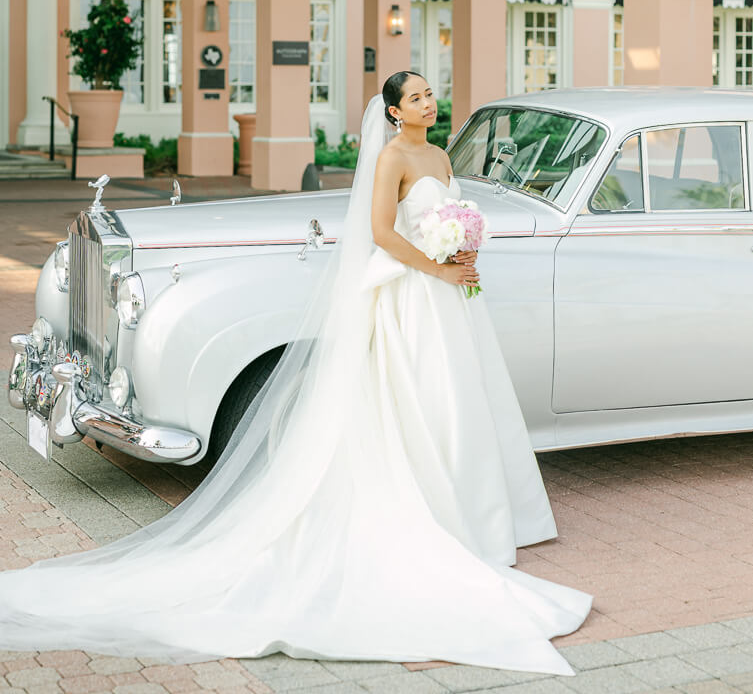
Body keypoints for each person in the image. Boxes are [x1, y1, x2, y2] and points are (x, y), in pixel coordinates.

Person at [0, 72, 591, 671]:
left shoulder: (438, 152)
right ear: (392, 112)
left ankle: (472, 514)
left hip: (446, 296)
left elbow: (451, 213)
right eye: (415, 98)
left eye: (430, 94)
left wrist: (461, 247)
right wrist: (437, 266)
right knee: (413, 394)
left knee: (455, 397)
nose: (429, 102)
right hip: (414, 293)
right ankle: (433, 513)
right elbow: (382, 233)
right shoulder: (391, 159)